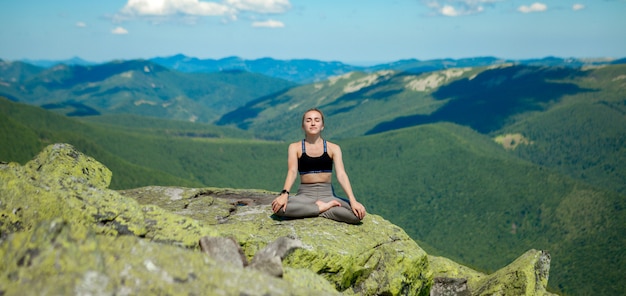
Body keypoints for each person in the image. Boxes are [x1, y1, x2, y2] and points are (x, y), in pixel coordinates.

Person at [271, 108, 366, 224]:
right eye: (308, 120)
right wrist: (284, 194)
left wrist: (353, 200)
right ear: (303, 126)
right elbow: (292, 171)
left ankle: (313, 210)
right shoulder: (295, 147)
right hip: (305, 195)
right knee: (278, 208)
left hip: (328, 194)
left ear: (322, 126)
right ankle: (322, 209)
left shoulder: (334, 148)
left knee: (357, 215)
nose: (313, 123)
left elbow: (341, 174)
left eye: (317, 120)